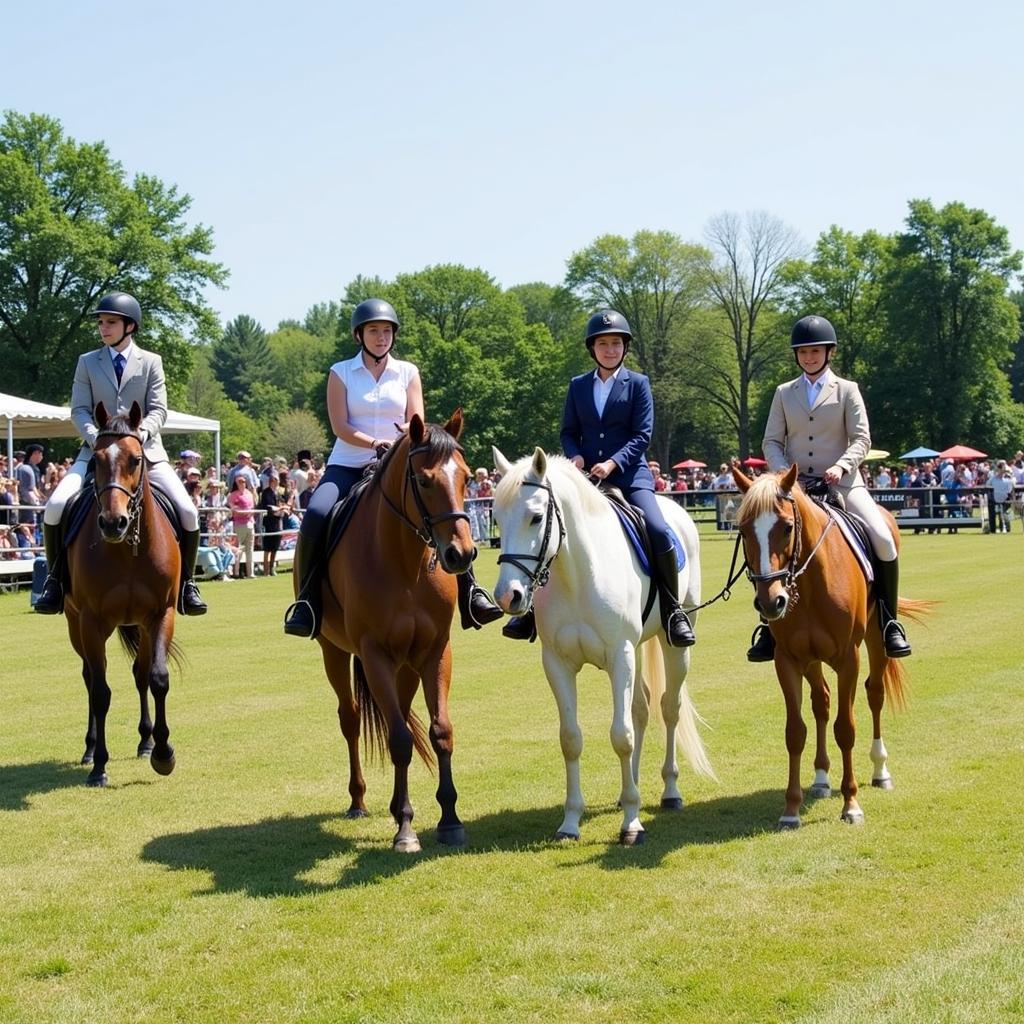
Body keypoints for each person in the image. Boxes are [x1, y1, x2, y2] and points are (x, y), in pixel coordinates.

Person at [284, 298, 502, 638]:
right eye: (374, 331)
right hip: (349, 463)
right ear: (359, 335)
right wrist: (375, 444)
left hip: (400, 465)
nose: (381, 337)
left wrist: (401, 440)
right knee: (316, 513)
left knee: (443, 511)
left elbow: (414, 420)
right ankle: (307, 602)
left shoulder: (407, 372)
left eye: (386, 331)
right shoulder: (340, 372)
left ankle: (470, 592)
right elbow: (339, 426)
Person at [503, 309, 695, 647]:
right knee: (551, 532)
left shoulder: (638, 384)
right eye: (603, 344)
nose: (610, 350)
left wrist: (613, 464)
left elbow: (642, 435)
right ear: (593, 349)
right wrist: (575, 454)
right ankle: (530, 614)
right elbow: (568, 431)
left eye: (616, 344)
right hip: (585, 479)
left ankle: (672, 609)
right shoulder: (578, 386)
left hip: (630, 476)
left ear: (624, 347)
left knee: (658, 529)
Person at [746, 314, 911, 663]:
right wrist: (779, 472)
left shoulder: (847, 389)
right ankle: (767, 627)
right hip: (793, 487)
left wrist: (841, 465)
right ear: (797, 355)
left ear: (828, 352)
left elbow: (862, 438)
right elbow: (772, 440)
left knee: (881, 537)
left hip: (842, 483)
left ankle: (889, 621)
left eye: (815, 351)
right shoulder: (783, 393)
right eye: (803, 352)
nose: (809, 357)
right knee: (766, 542)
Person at [35, 292, 207, 615]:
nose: (103, 328)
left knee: (188, 511)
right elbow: (79, 410)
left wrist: (139, 435)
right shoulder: (87, 362)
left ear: (130, 326)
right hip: (96, 454)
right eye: (101, 322)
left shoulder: (151, 362)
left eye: (110, 322)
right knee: (55, 507)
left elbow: (158, 409)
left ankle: (187, 584)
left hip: (145, 454)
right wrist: (97, 439)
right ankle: (55, 583)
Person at [227, 473, 257, 578]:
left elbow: (253, 506)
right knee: (238, 549)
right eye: (239, 482)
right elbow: (233, 508)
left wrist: (250, 513)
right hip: (239, 524)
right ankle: (236, 572)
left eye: (243, 481)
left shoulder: (249, 494)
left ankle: (251, 573)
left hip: (250, 523)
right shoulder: (233, 495)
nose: (242, 483)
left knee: (249, 549)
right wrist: (243, 513)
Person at [258, 469, 287, 576]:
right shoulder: (266, 493)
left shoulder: (278, 493)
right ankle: (266, 571)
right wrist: (280, 508)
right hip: (269, 522)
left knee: (275, 547)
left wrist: (282, 508)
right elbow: (270, 507)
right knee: (267, 548)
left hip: (278, 522)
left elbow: (282, 504)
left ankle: (271, 568)